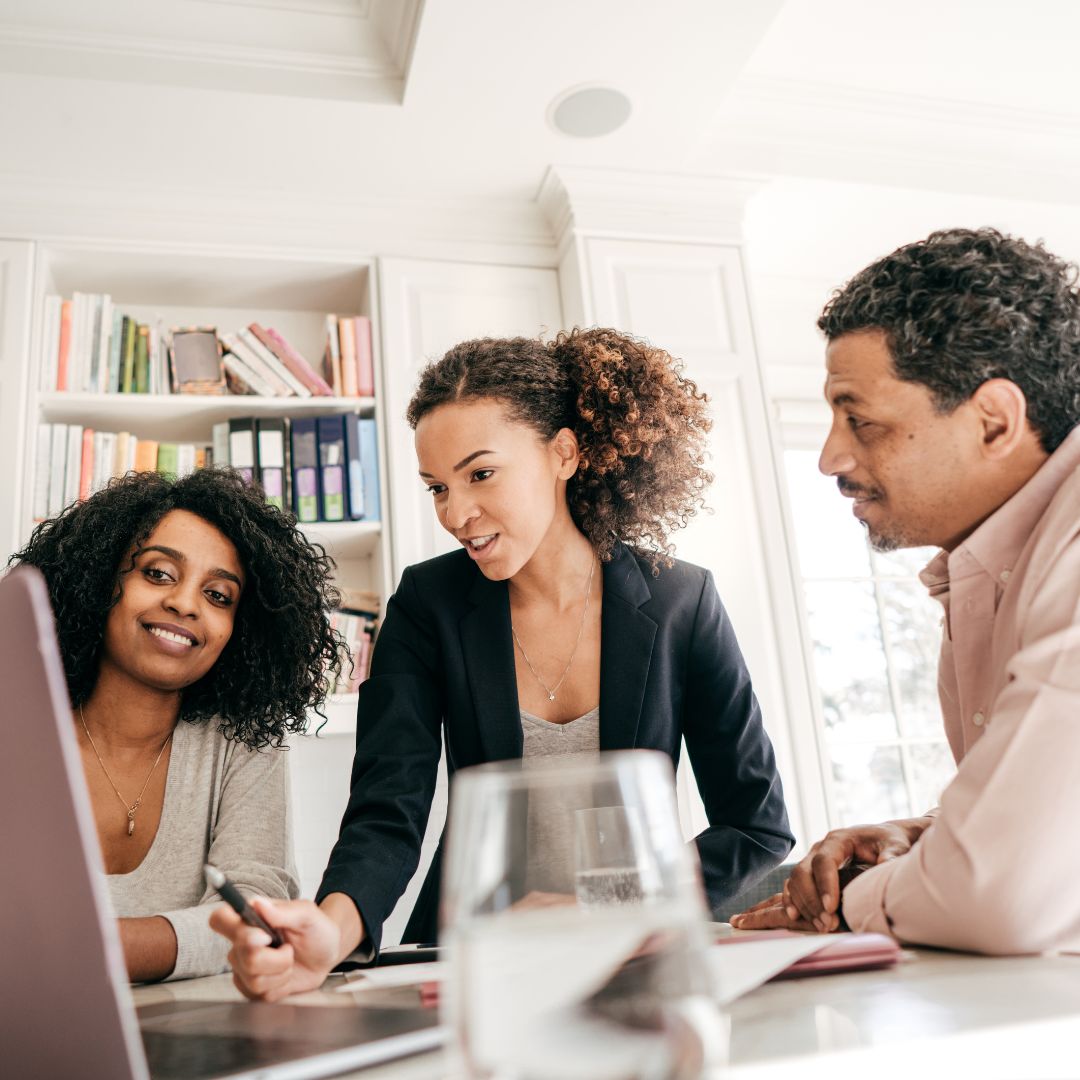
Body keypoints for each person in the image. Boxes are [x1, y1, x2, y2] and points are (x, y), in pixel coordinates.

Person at [213, 327, 794, 1001]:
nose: (456, 513)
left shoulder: (679, 601)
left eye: (480, 474)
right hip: (475, 962)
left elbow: (756, 823)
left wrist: (607, 905)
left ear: (563, 454)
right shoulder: (426, 605)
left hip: (636, 960)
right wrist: (332, 932)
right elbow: (387, 811)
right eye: (437, 488)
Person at [732, 227, 1080, 955]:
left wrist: (859, 896)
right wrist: (923, 837)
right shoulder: (986, 565)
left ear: (994, 422)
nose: (831, 456)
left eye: (861, 421)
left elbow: (1001, 897)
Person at [9, 467, 343, 981]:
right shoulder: (17, 726)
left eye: (218, 596)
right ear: (100, 580)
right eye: (158, 573)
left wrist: (81, 950)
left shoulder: (243, 742)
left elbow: (253, 909)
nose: (184, 603)